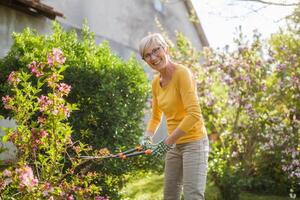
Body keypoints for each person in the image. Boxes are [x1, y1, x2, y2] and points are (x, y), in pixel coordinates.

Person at [138, 33, 209, 200]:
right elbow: (156, 116)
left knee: (193, 196)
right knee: (170, 196)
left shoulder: (182, 74)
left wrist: (167, 142)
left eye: (156, 50)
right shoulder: (156, 82)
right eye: (147, 55)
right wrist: (147, 137)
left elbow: (194, 114)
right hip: (174, 146)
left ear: (166, 49)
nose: (153, 57)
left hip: (194, 143)